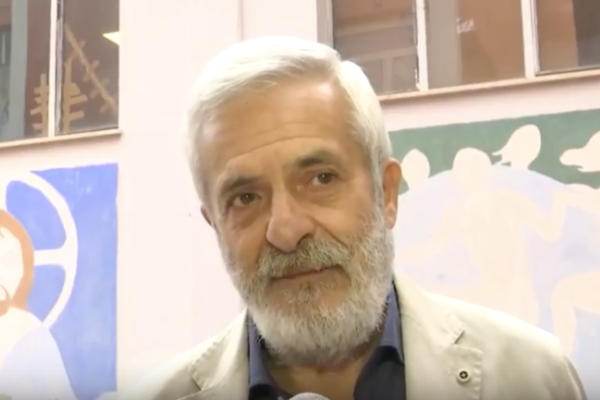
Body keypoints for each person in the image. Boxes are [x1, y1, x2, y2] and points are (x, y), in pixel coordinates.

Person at [125, 37, 587, 400]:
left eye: (321, 178)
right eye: (245, 198)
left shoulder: (532, 377)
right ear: (215, 226)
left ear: (387, 193)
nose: (286, 229)